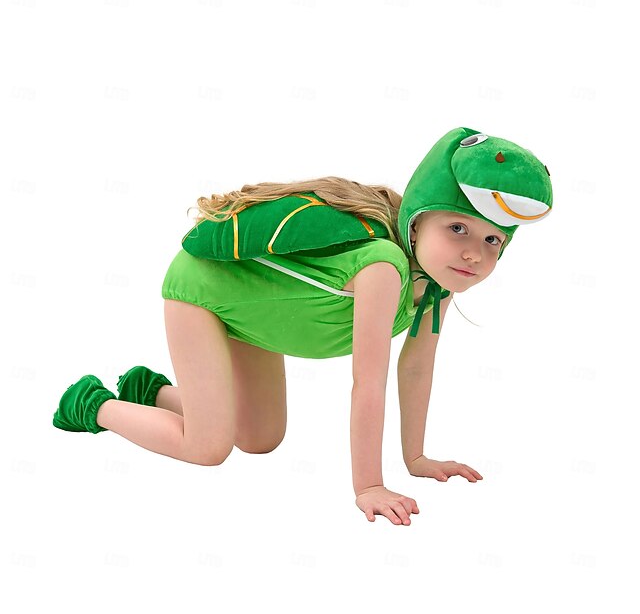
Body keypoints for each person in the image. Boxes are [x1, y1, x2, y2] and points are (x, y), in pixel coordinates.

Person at [53, 127, 553, 526]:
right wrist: (369, 485)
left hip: (255, 315)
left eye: (492, 240)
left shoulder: (438, 286)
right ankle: (94, 404)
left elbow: (416, 369)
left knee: (259, 438)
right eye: (457, 228)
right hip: (205, 293)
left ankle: (149, 392)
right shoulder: (384, 268)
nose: (473, 253)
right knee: (207, 448)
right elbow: (368, 383)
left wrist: (416, 459)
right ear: (418, 220)